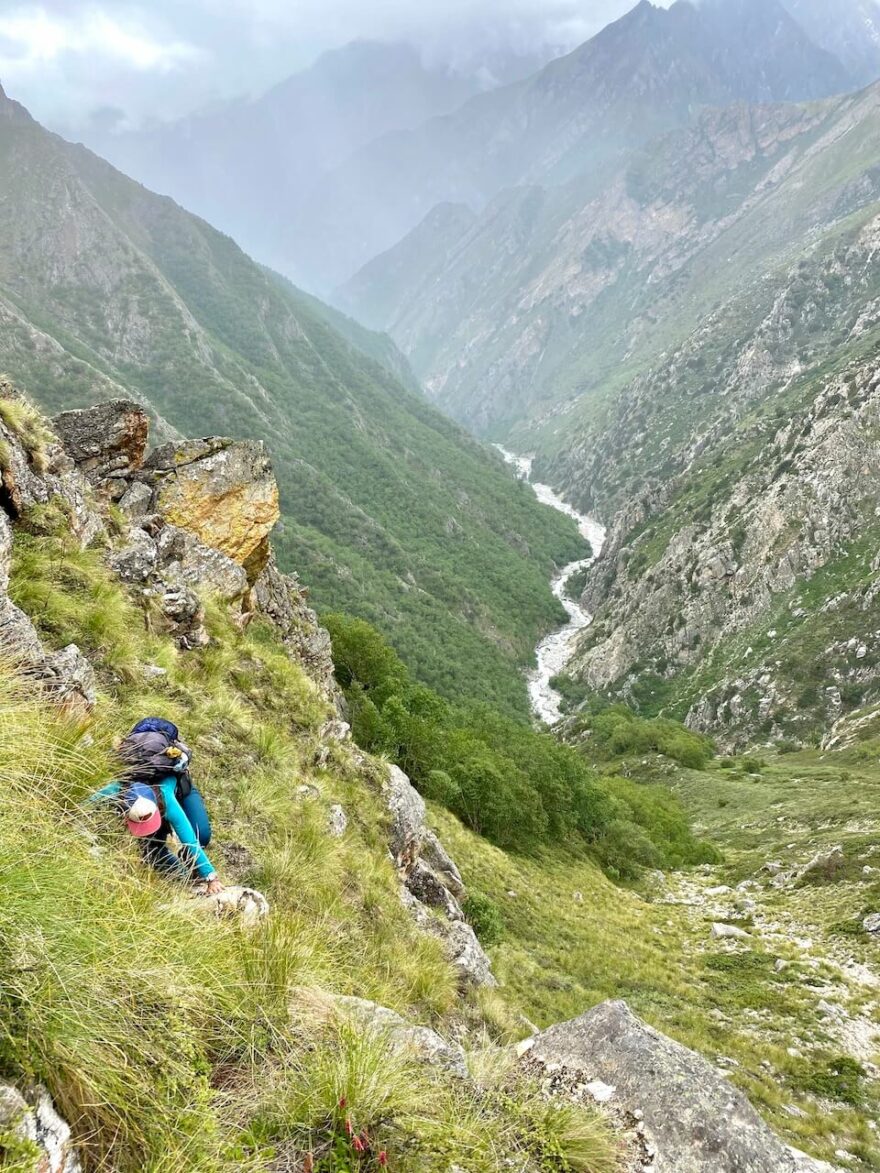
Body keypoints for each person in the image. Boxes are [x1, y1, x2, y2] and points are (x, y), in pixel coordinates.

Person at [90, 718, 224, 894]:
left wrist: (211, 878)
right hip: (149, 796)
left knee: (202, 835)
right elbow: (87, 804)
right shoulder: (118, 789)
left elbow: (189, 839)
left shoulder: (166, 799)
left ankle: (192, 864)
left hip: (181, 789)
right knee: (153, 851)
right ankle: (185, 881)